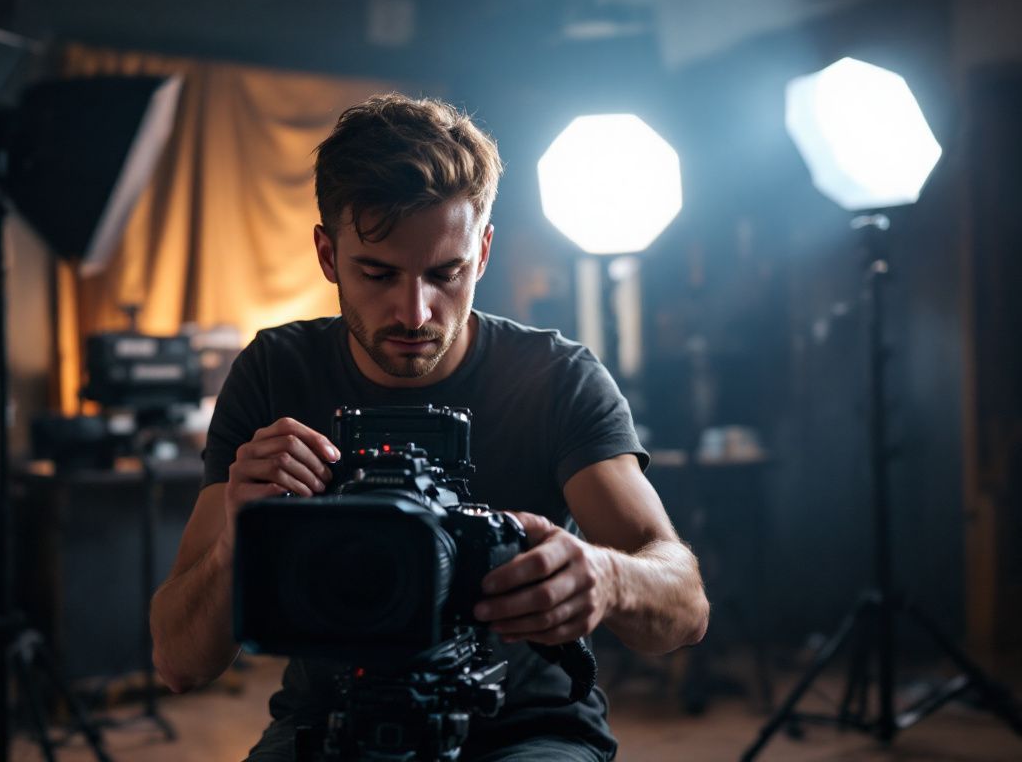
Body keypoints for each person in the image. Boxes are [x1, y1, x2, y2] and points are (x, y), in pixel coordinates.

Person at [150, 92, 709, 761]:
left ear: (484, 252)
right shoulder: (276, 373)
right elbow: (180, 664)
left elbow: (685, 609)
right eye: (377, 274)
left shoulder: (555, 377)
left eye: (446, 273)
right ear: (328, 256)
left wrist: (610, 579)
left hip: (524, 729)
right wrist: (239, 539)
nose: (414, 313)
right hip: (329, 721)